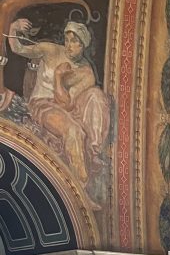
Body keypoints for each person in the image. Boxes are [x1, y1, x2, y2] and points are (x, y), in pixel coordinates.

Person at [8, 18, 110, 200]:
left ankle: (91, 160)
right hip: (42, 104)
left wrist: (58, 77)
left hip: (64, 107)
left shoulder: (86, 72)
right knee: (73, 131)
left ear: (84, 45)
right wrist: (14, 27)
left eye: (75, 42)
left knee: (96, 95)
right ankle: (81, 192)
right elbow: (18, 49)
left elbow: (66, 103)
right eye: (67, 40)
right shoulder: (50, 50)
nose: (69, 45)